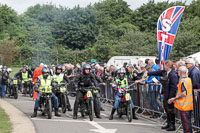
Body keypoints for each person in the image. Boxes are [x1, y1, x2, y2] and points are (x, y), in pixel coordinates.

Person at [147, 60, 178, 131]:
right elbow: (157, 72)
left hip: (170, 95)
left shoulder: (173, 74)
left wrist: (171, 97)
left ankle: (172, 125)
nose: (164, 67)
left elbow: (173, 87)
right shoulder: (165, 72)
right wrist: (148, 73)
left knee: (170, 110)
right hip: (165, 93)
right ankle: (168, 123)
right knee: (167, 109)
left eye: (164, 65)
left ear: (168, 66)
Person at [168, 66, 193, 133]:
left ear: (181, 72)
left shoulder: (183, 81)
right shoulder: (188, 79)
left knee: (186, 124)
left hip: (184, 105)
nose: (177, 72)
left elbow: (184, 93)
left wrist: (174, 98)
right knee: (187, 122)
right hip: (188, 104)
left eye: (178, 71)